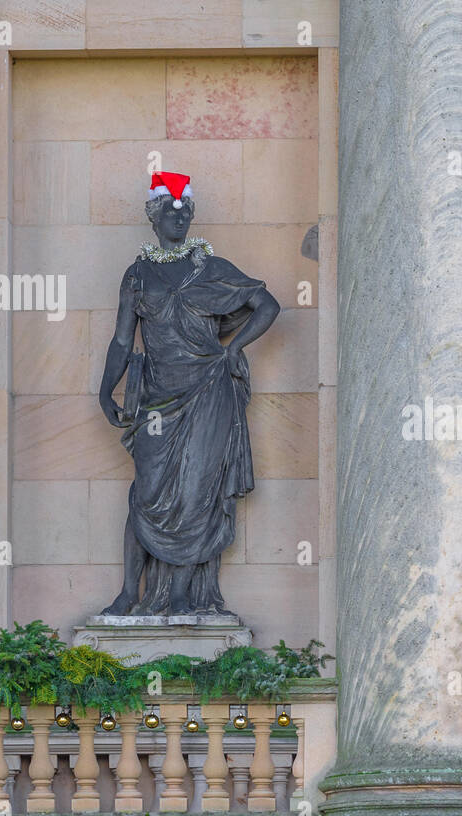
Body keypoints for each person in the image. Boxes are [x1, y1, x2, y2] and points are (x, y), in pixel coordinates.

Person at [98, 172, 280, 618]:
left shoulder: (209, 268)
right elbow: (123, 340)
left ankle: (181, 594)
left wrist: (233, 347)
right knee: (147, 492)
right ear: (154, 216)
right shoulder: (138, 275)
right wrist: (106, 391)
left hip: (207, 392)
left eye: (185, 211)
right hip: (158, 398)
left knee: (196, 491)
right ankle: (128, 592)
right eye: (170, 210)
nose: (178, 218)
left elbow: (268, 304)